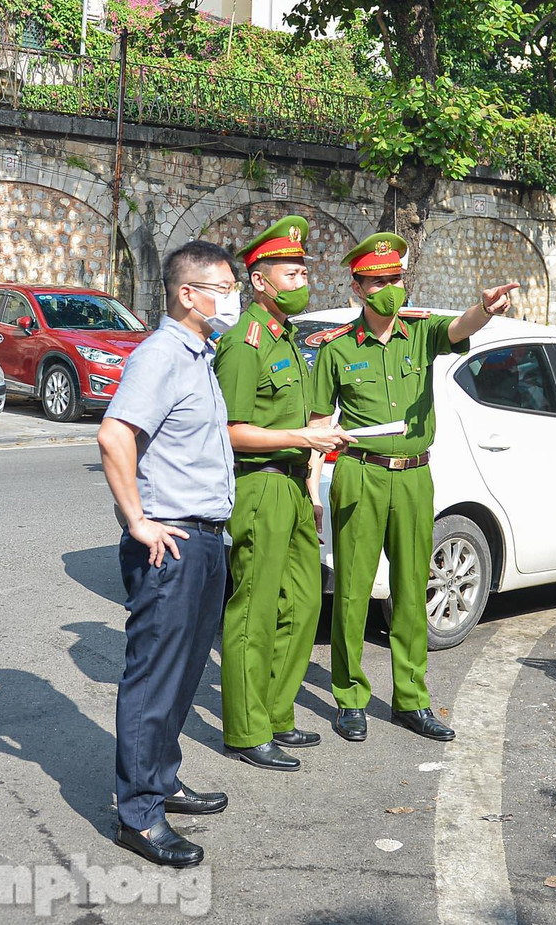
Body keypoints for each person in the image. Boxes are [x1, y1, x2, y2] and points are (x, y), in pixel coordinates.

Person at [309, 232, 518, 743]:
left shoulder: (420, 333)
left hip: (414, 475)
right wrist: (314, 489)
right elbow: (317, 424)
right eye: (379, 281)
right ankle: (351, 698)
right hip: (361, 472)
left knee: (409, 590)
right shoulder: (335, 349)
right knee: (354, 593)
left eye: (396, 279)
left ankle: (412, 699)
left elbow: (459, 328)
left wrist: (485, 309)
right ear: (358, 288)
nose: (391, 289)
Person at [97, 240, 238, 867]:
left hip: (206, 537)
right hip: (172, 539)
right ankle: (139, 814)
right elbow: (114, 436)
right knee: (155, 675)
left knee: (182, 673)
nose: (233, 298)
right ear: (189, 294)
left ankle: (162, 778)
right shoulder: (160, 354)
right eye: (225, 288)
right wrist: (139, 522)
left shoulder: (198, 355)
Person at [213, 216, 350, 772]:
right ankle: (247, 730)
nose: (302, 281)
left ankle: (276, 710)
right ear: (260, 281)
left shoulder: (287, 339)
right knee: (255, 607)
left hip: (295, 484)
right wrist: (303, 438)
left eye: (303, 272)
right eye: (291, 273)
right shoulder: (244, 344)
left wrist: (312, 479)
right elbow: (228, 431)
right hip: (260, 483)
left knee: (306, 601)